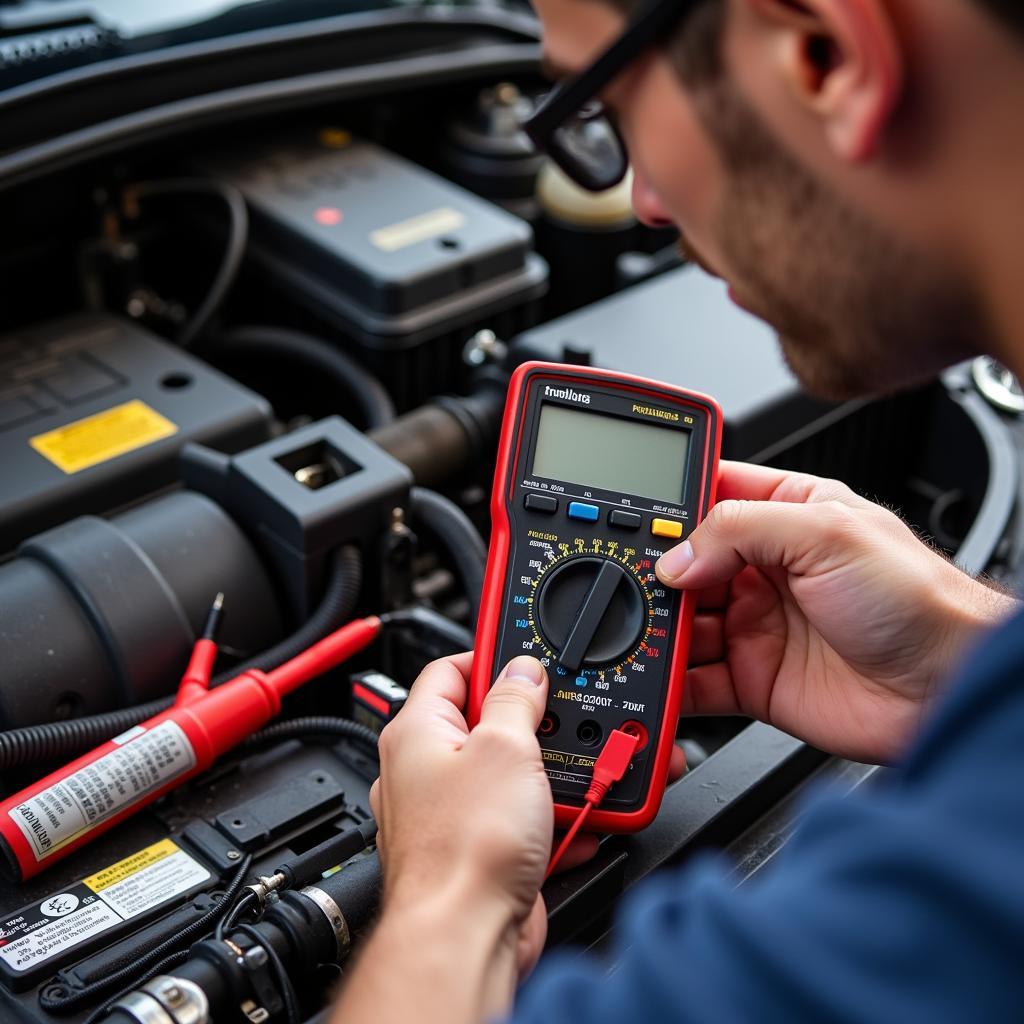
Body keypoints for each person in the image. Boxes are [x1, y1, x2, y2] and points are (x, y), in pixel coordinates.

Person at [332, 0, 1024, 1020]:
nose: (645, 204)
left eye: (606, 105)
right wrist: (965, 669)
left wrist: (449, 895)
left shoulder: (949, 888)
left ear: (822, 54)